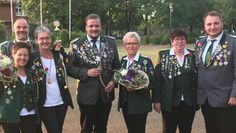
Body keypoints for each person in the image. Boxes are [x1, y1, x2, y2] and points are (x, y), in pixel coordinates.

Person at [68, 13, 120, 133]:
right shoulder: (77, 44)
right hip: (86, 95)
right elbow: (70, 68)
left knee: (101, 128)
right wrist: (86, 72)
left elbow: (117, 67)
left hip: (106, 95)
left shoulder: (110, 43)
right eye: (91, 26)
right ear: (86, 27)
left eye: (97, 26)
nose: (94, 28)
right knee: (86, 129)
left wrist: (114, 80)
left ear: (100, 27)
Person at [194, 10, 236, 133]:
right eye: (209, 24)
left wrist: (234, 95)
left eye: (216, 23)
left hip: (226, 99)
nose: (212, 27)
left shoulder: (233, 43)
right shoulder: (200, 42)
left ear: (222, 24)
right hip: (205, 98)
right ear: (204, 26)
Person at [154, 28, 198, 133]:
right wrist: (157, 101)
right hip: (169, 102)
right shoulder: (162, 55)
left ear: (186, 41)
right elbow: (157, 81)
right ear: (172, 41)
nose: (179, 41)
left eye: (182, 39)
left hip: (188, 102)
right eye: (176, 39)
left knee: (186, 129)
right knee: (168, 130)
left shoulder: (193, 55)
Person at [31, 25, 74, 133]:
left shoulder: (58, 55)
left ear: (51, 39)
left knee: (58, 130)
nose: (45, 41)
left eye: (47, 38)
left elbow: (70, 61)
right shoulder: (32, 58)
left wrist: (61, 48)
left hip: (61, 102)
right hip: (45, 104)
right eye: (41, 38)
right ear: (36, 40)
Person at [117, 32, 157, 133]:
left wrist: (137, 86)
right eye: (128, 43)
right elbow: (121, 77)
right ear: (124, 45)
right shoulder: (123, 61)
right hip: (125, 103)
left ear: (139, 45)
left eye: (134, 43)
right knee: (130, 130)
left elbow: (152, 83)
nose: (131, 46)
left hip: (140, 104)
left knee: (139, 130)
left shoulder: (145, 61)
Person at [0, 42, 39, 133]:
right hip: (9, 115)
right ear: (13, 55)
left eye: (25, 55)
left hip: (30, 114)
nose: (22, 57)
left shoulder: (31, 72)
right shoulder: (5, 71)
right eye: (19, 54)